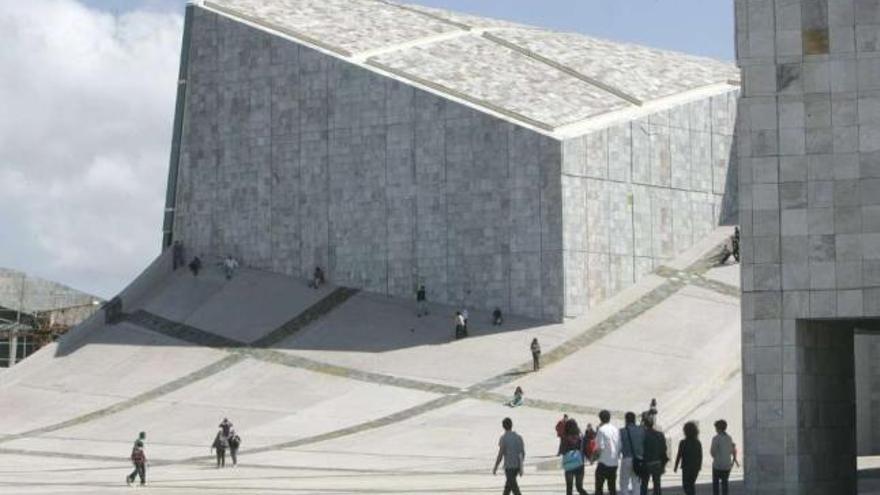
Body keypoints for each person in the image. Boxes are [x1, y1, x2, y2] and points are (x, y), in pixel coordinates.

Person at [493, 417, 525, 495]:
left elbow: (500, 454)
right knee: (508, 487)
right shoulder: (519, 437)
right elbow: (522, 453)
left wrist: (496, 466)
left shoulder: (503, 438)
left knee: (514, 488)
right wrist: (520, 467)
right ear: (511, 425)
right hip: (516, 467)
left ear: (503, 426)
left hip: (509, 467)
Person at [560, 418, 588, 495]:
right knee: (579, 487)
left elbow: (562, 451)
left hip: (569, 464)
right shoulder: (581, 436)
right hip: (579, 464)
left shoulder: (565, 437)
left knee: (569, 488)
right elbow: (584, 449)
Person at [595, 409, 620, 495]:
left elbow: (600, 447)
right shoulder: (616, 429)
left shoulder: (601, 430)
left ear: (600, 419)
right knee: (612, 487)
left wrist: (593, 458)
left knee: (599, 487)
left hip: (604, 463)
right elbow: (619, 445)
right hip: (614, 463)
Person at [640, 416, 667, 495]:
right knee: (657, 485)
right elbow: (664, 448)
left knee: (644, 484)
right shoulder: (660, 434)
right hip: (657, 462)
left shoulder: (643, 435)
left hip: (646, 462)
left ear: (644, 424)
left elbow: (640, 449)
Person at [710, 419, 738, 495]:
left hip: (717, 465)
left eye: (716, 428)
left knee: (715, 485)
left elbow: (712, 452)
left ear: (718, 428)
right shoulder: (729, 438)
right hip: (727, 465)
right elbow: (731, 450)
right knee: (725, 484)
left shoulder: (716, 438)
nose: (715, 430)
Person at [619, 412, 645, 495]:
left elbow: (619, 446)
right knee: (636, 484)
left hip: (626, 458)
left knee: (624, 484)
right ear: (634, 420)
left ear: (626, 420)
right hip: (639, 459)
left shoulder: (621, 431)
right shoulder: (641, 430)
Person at [674, 421, 702, 495]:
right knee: (691, 485)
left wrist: (676, 466)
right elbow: (700, 456)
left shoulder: (683, 442)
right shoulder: (698, 442)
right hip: (695, 467)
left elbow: (679, 455)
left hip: (686, 467)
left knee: (686, 485)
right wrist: (699, 467)